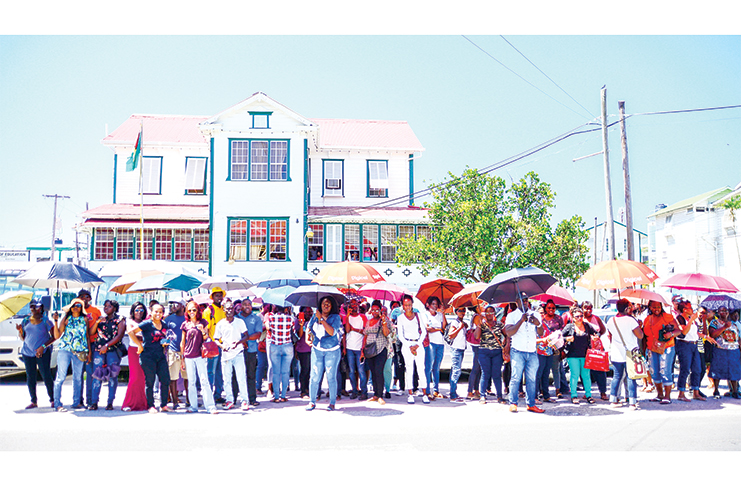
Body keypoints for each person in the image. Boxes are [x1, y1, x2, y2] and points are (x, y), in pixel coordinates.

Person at [128, 303, 172, 413]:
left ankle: (163, 405)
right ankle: (151, 406)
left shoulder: (164, 324)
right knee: (150, 382)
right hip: (148, 356)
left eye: (160, 312)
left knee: (165, 380)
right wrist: (139, 345)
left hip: (160, 356)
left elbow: (163, 337)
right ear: (151, 312)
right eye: (156, 311)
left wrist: (165, 343)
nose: (158, 314)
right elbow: (130, 332)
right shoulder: (147, 324)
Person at [504, 296, 545, 413]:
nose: (525, 302)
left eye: (526, 299)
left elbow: (541, 333)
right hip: (517, 351)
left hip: (532, 351)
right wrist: (521, 321)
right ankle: (513, 403)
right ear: (517, 302)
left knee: (532, 379)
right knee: (516, 377)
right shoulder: (512, 316)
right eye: (522, 299)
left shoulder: (535, 314)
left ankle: (531, 404)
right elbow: (509, 332)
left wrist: (538, 324)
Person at [604, 299, 644, 409]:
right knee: (631, 377)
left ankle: (613, 400)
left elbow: (610, 336)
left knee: (617, 376)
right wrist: (639, 326)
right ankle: (632, 402)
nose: (632, 308)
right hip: (630, 352)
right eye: (630, 306)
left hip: (616, 353)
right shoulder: (631, 321)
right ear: (626, 308)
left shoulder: (611, 321)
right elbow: (640, 335)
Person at [16, 299, 55, 409]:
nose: (34, 309)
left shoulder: (46, 321)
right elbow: (23, 338)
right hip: (27, 352)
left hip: (42, 352)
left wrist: (43, 347)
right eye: (32, 307)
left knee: (46, 375)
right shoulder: (26, 321)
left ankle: (52, 399)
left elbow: (54, 337)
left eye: (36, 307)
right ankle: (34, 401)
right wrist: (20, 331)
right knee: (30, 377)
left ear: (41, 308)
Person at [306, 296, 343, 411]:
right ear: (320, 305)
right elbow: (309, 327)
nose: (325, 306)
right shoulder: (315, 315)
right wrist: (308, 338)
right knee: (314, 376)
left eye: (328, 304)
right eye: (323, 303)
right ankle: (312, 402)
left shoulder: (335, 318)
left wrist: (321, 319)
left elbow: (332, 332)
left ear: (332, 306)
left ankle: (332, 403)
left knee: (331, 377)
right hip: (317, 349)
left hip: (332, 351)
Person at [180, 300, 217, 414]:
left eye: (194, 310)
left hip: (200, 355)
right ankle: (193, 406)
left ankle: (210, 406)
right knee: (191, 382)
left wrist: (202, 330)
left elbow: (206, 337)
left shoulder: (203, 322)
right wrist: (182, 359)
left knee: (204, 380)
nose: (192, 312)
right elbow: (182, 342)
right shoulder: (185, 324)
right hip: (188, 356)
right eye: (189, 310)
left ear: (198, 311)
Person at [52, 298, 89, 412]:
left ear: (81, 308)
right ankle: (57, 403)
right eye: (74, 306)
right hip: (65, 350)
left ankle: (76, 402)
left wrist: (89, 353)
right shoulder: (66, 319)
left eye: (78, 305)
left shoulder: (84, 319)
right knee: (60, 377)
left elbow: (86, 336)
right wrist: (56, 321)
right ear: (70, 308)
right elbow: (57, 335)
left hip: (80, 351)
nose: (76, 307)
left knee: (78, 378)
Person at [89, 299, 126, 410]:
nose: (106, 308)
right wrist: (96, 322)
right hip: (99, 350)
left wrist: (107, 345)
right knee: (97, 375)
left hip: (113, 350)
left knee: (112, 376)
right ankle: (94, 402)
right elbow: (91, 332)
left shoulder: (120, 320)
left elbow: (119, 336)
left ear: (114, 308)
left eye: (109, 306)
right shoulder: (101, 320)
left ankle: (110, 402)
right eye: (105, 306)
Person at [642, 300, 681, 404]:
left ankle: (667, 396)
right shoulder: (647, 319)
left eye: (658, 307)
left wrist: (671, 334)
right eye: (654, 307)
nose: (656, 309)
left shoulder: (668, 317)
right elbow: (644, 336)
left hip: (666, 347)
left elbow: (678, 331)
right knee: (654, 371)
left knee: (665, 371)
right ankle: (659, 394)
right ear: (649, 307)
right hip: (651, 348)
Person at [213, 299, 249, 410]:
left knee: (241, 378)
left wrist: (238, 343)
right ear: (224, 310)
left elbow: (246, 336)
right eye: (227, 309)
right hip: (226, 356)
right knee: (226, 380)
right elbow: (215, 339)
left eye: (231, 308)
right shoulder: (220, 324)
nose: (229, 311)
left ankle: (244, 401)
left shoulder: (240, 322)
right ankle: (229, 400)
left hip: (238, 353)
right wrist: (222, 346)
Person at [396, 294, 430, 404]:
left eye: (409, 305)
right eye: (405, 305)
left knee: (421, 369)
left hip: (418, 344)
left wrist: (417, 344)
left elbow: (424, 331)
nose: (408, 307)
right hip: (407, 346)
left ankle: (424, 393)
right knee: (409, 369)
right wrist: (409, 346)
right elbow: (400, 335)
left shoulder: (418, 316)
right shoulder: (400, 318)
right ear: (403, 306)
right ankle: (410, 393)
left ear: (412, 305)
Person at [562, 307, 597, 404]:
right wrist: (567, 339)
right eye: (577, 316)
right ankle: (574, 395)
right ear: (573, 318)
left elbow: (596, 333)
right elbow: (560, 337)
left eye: (581, 316)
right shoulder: (569, 327)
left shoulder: (587, 326)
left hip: (585, 354)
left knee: (586, 375)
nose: (579, 318)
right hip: (572, 355)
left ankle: (588, 395)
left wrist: (595, 337)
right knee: (574, 375)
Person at [475, 305, 508, 404]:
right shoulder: (482, 325)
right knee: (485, 374)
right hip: (484, 351)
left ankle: (499, 396)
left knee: (497, 374)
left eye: (491, 312)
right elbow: (476, 336)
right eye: (487, 312)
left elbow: (507, 335)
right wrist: (479, 324)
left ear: (494, 314)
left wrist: (506, 345)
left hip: (497, 352)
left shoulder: (499, 324)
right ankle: (482, 396)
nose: (489, 314)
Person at [674, 300, 705, 402]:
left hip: (694, 344)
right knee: (685, 369)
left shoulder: (691, 319)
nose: (692, 309)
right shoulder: (680, 318)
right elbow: (684, 332)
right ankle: (681, 393)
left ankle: (695, 391)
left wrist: (705, 337)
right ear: (684, 309)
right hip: (684, 344)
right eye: (690, 307)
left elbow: (694, 333)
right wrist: (691, 320)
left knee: (697, 369)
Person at [708, 306, 741, 399]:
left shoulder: (733, 324)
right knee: (717, 369)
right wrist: (724, 327)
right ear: (718, 312)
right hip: (720, 349)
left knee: (734, 371)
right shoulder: (714, 322)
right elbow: (713, 334)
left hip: (734, 350)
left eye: (726, 311)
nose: (725, 313)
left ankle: (734, 391)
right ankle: (716, 390)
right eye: (722, 311)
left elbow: (738, 338)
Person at [363, 300, 391, 404]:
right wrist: (363, 349)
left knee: (379, 372)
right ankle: (375, 394)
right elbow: (365, 335)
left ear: (380, 310)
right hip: (370, 350)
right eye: (373, 310)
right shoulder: (368, 321)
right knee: (373, 372)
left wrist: (383, 321)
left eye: (377, 310)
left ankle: (380, 395)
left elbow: (386, 333)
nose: (375, 312)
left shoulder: (384, 320)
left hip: (380, 349)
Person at [535, 300, 564, 404]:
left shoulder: (551, 322)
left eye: (543, 313)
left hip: (549, 351)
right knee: (538, 374)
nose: (542, 315)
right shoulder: (536, 325)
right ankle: (535, 396)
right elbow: (534, 339)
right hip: (539, 352)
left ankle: (546, 396)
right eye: (541, 313)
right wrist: (543, 340)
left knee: (546, 374)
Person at [121, 302, 148, 412]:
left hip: (145, 351)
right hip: (134, 351)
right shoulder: (129, 322)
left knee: (142, 378)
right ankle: (128, 403)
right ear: (133, 311)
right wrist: (140, 343)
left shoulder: (146, 322)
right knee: (134, 378)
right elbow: (132, 334)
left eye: (141, 310)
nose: (139, 312)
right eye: (137, 310)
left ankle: (141, 403)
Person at [76, 288, 100, 408]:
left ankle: (90, 401)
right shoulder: (75, 310)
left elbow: (100, 326)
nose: (84, 299)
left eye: (86, 297)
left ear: (90, 298)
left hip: (93, 343)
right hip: (79, 345)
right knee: (78, 374)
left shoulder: (95, 311)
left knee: (91, 373)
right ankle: (79, 400)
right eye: (82, 297)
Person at [202, 287, 226, 403]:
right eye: (216, 295)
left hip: (224, 345)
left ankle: (218, 395)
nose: (219, 298)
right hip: (213, 344)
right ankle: (209, 395)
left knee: (219, 372)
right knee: (210, 371)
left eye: (220, 295)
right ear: (212, 297)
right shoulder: (208, 311)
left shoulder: (224, 309)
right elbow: (205, 329)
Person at [266, 304, 294, 402]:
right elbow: (294, 330)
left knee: (276, 372)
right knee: (285, 372)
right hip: (287, 345)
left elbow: (269, 329)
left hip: (275, 345)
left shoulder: (271, 318)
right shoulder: (290, 318)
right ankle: (283, 396)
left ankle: (276, 396)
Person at [238, 297, 263, 407]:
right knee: (237, 375)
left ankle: (252, 398)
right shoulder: (235, 318)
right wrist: (242, 342)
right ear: (241, 306)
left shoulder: (256, 318)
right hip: (237, 351)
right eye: (245, 304)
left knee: (251, 374)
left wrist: (245, 339)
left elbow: (258, 334)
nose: (247, 306)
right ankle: (234, 398)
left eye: (249, 304)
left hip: (251, 350)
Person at [582, 301, 608, 401]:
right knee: (585, 372)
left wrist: (598, 336)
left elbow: (603, 329)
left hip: (597, 348)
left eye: (590, 308)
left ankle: (603, 392)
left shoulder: (596, 318)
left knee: (600, 371)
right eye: (586, 308)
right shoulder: (580, 318)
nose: (588, 310)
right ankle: (587, 392)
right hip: (585, 349)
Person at [163, 296, 187, 409]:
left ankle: (189, 401)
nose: (173, 306)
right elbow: (162, 330)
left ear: (182, 306)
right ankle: (174, 402)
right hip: (172, 351)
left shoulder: (187, 318)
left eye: (176, 304)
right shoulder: (168, 319)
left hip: (187, 352)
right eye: (172, 304)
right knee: (173, 378)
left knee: (187, 377)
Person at [343, 299, 368, 400]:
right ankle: (354, 390)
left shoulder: (362, 317)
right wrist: (348, 316)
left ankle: (364, 391)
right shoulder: (346, 318)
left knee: (361, 371)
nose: (354, 306)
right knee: (352, 371)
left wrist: (363, 348)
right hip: (350, 348)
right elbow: (347, 330)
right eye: (351, 304)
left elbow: (366, 332)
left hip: (359, 348)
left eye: (355, 304)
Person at [424, 296, 448, 399]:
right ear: (428, 305)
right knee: (428, 367)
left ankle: (436, 390)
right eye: (432, 304)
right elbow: (428, 328)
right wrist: (438, 329)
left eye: (436, 304)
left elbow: (444, 326)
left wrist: (443, 313)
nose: (434, 306)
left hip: (440, 343)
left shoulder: (439, 315)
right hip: (431, 343)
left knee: (437, 367)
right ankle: (427, 390)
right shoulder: (425, 315)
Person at [294, 306, 313, 399]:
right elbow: (299, 335)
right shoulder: (298, 322)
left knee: (311, 370)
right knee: (305, 370)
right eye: (306, 312)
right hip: (302, 349)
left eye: (310, 311)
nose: (308, 313)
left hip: (313, 349)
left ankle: (310, 389)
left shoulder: (313, 321)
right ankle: (303, 390)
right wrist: (301, 325)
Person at [466, 304, 483, 400]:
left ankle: (476, 390)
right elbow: (479, 330)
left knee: (479, 368)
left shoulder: (478, 316)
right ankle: (470, 391)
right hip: (477, 345)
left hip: (478, 345)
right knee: (476, 368)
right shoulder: (477, 317)